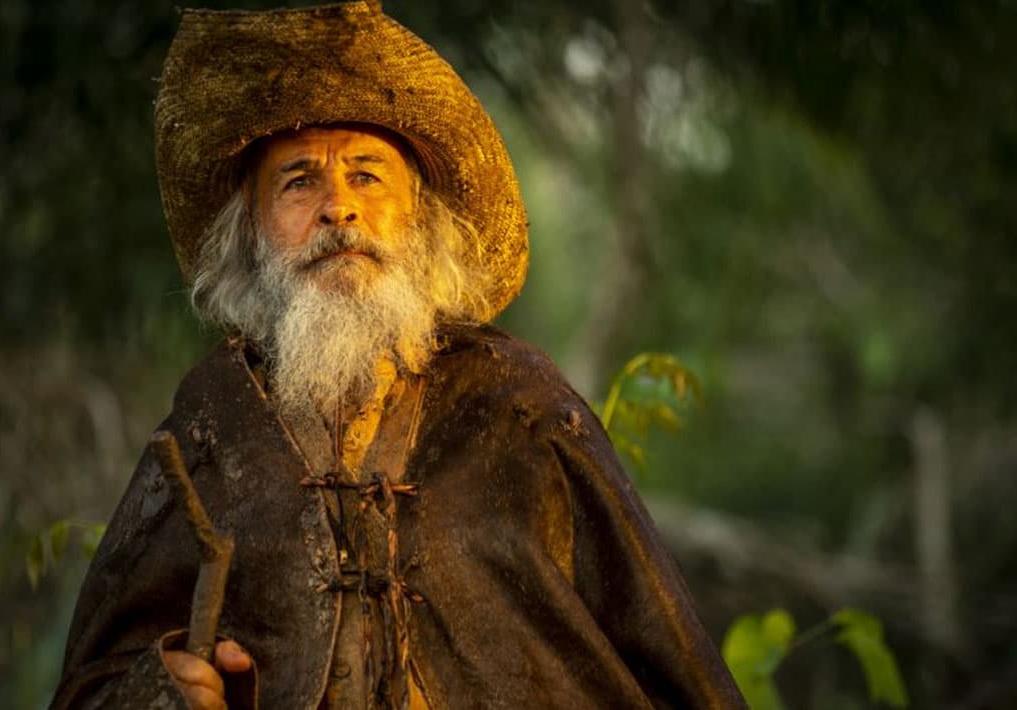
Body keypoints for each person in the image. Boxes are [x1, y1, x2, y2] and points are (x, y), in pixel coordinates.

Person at [51, 3, 746, 709]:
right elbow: (91, 685)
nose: (338, 209)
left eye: (367, 175)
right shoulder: (209, 429)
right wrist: (162, 689)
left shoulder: (521, 405)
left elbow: (674, 664)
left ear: (420, 216)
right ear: (251, 235)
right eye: (298, 182)